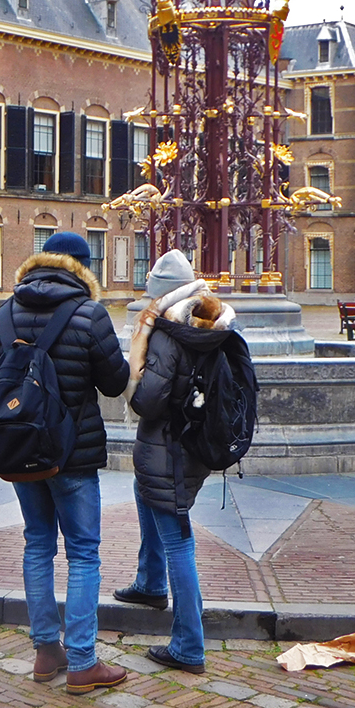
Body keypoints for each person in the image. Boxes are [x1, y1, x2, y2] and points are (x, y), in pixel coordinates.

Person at [0, 231, 130, 695]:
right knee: (84, 552)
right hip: (73, 454)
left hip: (22, 450)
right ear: (82, 267)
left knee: (37, 545)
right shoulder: (90, 314)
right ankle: (84, 661)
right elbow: (115, 383)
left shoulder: (4, 313)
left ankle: (47, 651)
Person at [115, 250, 234, 676]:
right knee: (145, 493)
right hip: (191, 444)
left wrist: (135, 369)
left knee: (178, 539)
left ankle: (188, 644)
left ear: (161, 295)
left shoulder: (168, 333)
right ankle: (149, 582)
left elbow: (148, 400)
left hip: (167, 444)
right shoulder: (211, 323)